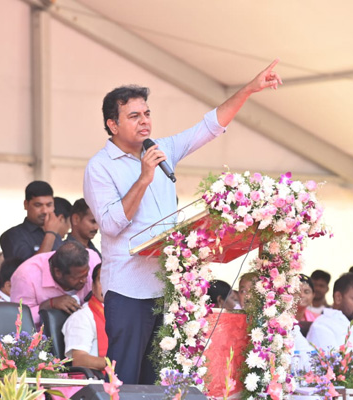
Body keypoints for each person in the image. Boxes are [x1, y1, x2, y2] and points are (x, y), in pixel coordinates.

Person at [83, 59, 282, 384]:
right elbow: (110, 224)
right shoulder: (100, 166)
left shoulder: (162, 149)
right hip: (129, 291)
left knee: (158, 384)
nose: (144, 121)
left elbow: (208, 127)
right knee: (126, 383)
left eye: (147, 113)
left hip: (168, 289)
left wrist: (248, 89)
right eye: (134, 116)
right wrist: (144, 177)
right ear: (112, 125)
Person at [10, 240, 100, 325]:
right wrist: (49, 304)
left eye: (86, 275)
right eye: (77, 278)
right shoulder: (26, 276)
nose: (84, 281)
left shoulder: (93, 259)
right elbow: (19, 318)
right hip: (44, 334)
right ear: (58, 273)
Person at [0, 181, 65, 262]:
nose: (45, 211)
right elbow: (30, 267)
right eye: (38, 205)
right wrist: (50, 234)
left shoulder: (56, 235)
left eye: (49, 205)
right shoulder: (13, 235)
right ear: (26, 205)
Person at [62, 263, 107, 371]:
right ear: (93, 287)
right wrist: (117, 364)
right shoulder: (82, 317)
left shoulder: (128, 316)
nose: (108, 286)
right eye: (103, 280)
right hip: (98, 379)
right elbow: (79, 360)